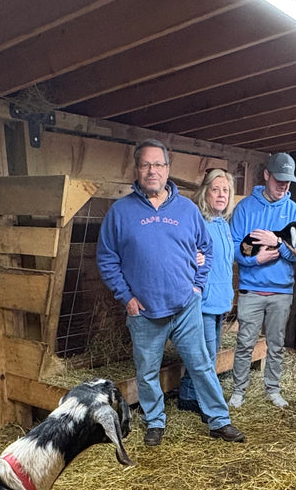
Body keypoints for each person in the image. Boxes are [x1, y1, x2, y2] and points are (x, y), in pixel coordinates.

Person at [96, 140, 246, 446]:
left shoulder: (187, 210)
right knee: (147, 371)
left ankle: (219, 420)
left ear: (167, 169)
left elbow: (206, 249)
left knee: (202, 365)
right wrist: (126, 297)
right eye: (145, 165)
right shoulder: (120, 212)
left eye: (158, 164)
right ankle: (155, 421)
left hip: (185, 305)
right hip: (143, 310)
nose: (152, 170)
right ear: (137, 169)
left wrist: (197, 286)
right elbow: (106, 258)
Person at [228, 152, 296, 409]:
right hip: (251, 290)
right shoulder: (245, 208)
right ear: (266, 175)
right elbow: (232, 248)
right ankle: (238, 391)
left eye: (288, 181)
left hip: (281, 292)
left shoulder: (295, 212)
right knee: (244, 343)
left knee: (276, 344)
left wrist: (279, 244)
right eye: (278, 179)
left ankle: (273, 389)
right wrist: (255, 260)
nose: (283, 185)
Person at [176, 168, 237, 418]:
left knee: (206, 353)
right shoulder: (197, 222)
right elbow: (179, 251)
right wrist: (191, 257)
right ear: (205, 193)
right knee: (206, 356)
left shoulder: (223, 224)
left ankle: (188, 395)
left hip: (219, 299)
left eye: (225, 191)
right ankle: (207, 404)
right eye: (215, 190)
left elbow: (224, 265)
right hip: (202, 300)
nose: (221, 195)